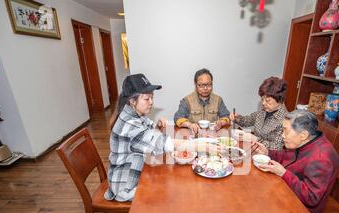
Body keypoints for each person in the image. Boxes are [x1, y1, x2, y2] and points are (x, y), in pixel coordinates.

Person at [225, 110, 339, 213]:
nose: (282, 135)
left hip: (304, 210)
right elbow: (291, 157)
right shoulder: (309, 141)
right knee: (251, 185)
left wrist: (283, 173)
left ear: (303, 134)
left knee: (252, 198)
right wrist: (269, 153)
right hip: (291, 192)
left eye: (285, 131)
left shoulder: (321, 158)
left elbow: (311, 197)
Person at [105, 73, 221, 202]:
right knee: (173, 193)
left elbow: (145, 139)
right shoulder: (129, 124)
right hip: (126, 186)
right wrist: (204, 146)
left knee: (173, 183)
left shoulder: (136, 114)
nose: (151, 102)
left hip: (138, 171)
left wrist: (157, 128)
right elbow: (162, 142)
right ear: (132, 101)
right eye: (147, 99)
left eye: (152, 98)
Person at [230, 76, 288, 150]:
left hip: (268, 157)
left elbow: (277, 146)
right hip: (254, 151)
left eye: (267, 100)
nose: (263, 103)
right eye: (262, 99)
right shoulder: (263, 111)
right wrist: (237, 118)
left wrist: (255, 139)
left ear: (280, 99)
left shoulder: (285, 120)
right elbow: (248, 120)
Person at [174, 68, 231, 134]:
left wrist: (221, 123)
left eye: (209, 84)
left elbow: (226, 116)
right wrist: (189, 125)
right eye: (201, 85)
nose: (205, 88)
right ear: (196, 85)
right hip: (193, 137)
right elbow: (177, 118)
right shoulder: (187, 100)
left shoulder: (218, 100)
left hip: (212, 137)